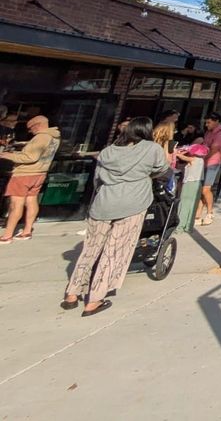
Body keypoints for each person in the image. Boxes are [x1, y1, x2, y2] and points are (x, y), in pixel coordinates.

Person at [62, 117, 169, 316]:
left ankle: (72, 292)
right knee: (116, 251)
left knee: (90, 249)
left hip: (103, 203)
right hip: (133, 203)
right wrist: (144, 176)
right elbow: (163, 168)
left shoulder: (108, 151)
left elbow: (97, 180)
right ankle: (95, 298)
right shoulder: (152, 149)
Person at [0, 115, 61, 243]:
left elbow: (30, 157)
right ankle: (27, 231)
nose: (30, 131)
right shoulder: (54, 137)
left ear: (37, 126)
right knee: (31, 200)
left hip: (24, 174)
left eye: (30, 128)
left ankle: (7, 235)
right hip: (40, 173)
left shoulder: (41, 137)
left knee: (16, 204)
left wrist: (7, 155)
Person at [195, 113, 221, 226]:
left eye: (209, 122)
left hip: (212, 162)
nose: (206, 125)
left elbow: (214, 149)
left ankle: (210, 212)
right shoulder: (208, 132)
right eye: (206, 122)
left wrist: (203, 157)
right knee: (200, 189)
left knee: (206, 189)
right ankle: (198, 214)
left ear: (216, 121)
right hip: (203, 162)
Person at [173, 139, 207, 233]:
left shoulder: (193, 159)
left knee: (184, 204)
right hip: (198, 184)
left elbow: (180, 156)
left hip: (190, 183)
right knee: (193, 205)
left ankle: (180, 226)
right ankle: (189, 226)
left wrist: (182, 151)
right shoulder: (201, 160)